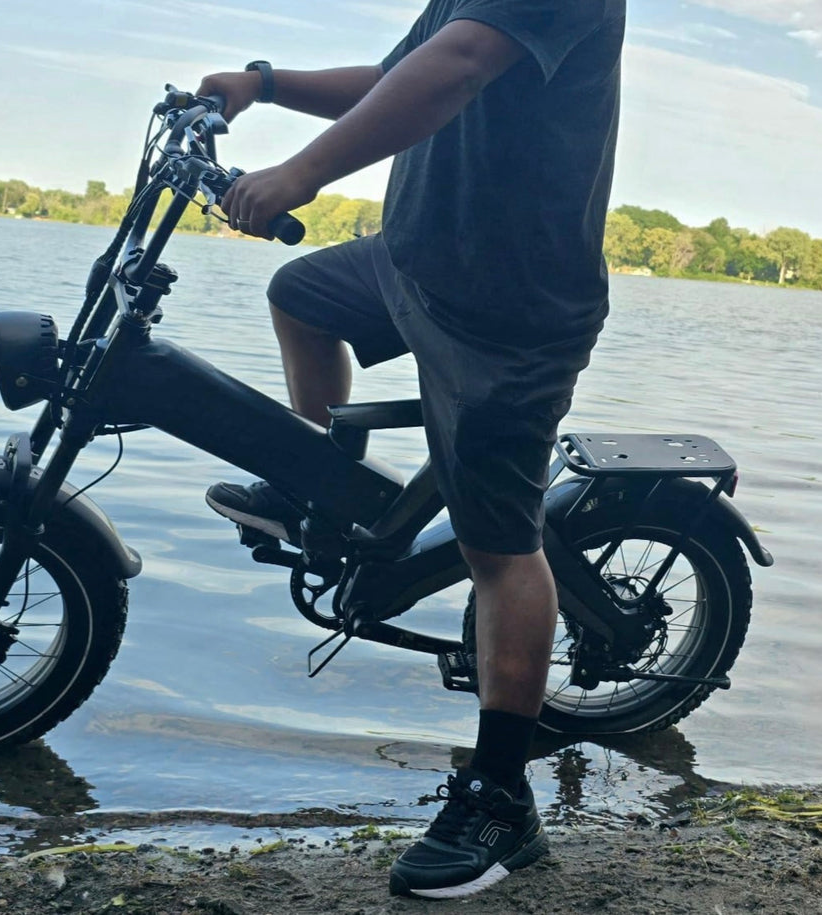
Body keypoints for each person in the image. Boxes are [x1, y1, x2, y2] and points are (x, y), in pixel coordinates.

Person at [198, 0, 625, 900]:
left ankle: (502, 798)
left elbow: (460, 64)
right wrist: (265, 85)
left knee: (499, 549)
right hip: (416, 260)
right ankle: (329, 492)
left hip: (510, 307)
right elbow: (401, 75)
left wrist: (300, 175)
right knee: (302, 294)